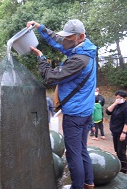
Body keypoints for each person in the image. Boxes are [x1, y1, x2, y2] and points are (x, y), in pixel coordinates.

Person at [27, 19, 96, 189]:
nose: (66, 41)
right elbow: (59, 42)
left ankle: (77, 186)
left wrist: (41, 59)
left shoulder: (79, 60)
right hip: (85, 112)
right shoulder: (85, 48)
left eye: (70, 38)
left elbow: (50, 77)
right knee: (82, 149)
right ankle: (89, 183)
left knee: (73, 154)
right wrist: (40, 27)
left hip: (75, 114)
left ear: (81, 36)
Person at [106, 90, 127, 174]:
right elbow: (108, 112)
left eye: (120, 98)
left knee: (121, 152)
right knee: (117, 150)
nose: (118, 99)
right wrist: (115, 103)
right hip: (115, 133)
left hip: (123, 134)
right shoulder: (117, 106)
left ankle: (123, 170)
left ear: (125, 98)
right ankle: (119, 167)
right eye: (117, 98)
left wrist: (124, 133)